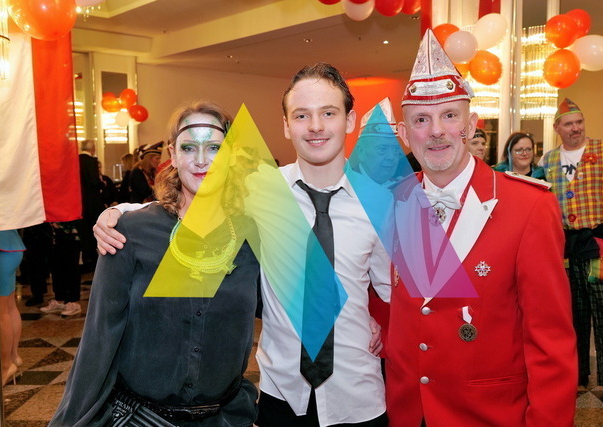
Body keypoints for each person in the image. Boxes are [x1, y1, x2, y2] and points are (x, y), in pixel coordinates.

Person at [94, 63, 389, 427]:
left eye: (328, 113)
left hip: (359, 396)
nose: (315, 126)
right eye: (301, 115)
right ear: (286, 125)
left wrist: (376, 320)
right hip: (282, 397)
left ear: (350, 120)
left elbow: (394, 292)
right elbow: (192, 202)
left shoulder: (381, 203)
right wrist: (119, 211)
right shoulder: (258, 190)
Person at [384, 29, 577, 426]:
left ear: (471, 125)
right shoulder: (394, 201)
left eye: (449, 116)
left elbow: (551, 342)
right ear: (404, 134)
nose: (436, 131)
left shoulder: (529, 206)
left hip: (489, 414)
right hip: (408, 411)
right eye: (421, 119)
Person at [49, 101, 260, 425]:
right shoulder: (130, 232)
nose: (201, 160)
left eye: (214, 148)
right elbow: (99, 339)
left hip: (225, 418)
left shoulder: (252, 237)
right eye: (189, 147)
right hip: (142, 418)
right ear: (173, 155)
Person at [541, 97, 603, 407]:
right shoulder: (547, 161)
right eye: (569, 124)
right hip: (566, 250)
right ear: (557, 128)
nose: (575, 128)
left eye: (579, 122)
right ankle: (574, 377)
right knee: (570, 317)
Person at [0, 229, 26, 386]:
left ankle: (6, 366)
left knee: (1, 312)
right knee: (9, 307)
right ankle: (14, 357)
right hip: (11, 248)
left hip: (0, 250)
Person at [78, 139, 103, 272]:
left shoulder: (76, 160)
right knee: (94, 233)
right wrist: (102, 184)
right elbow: (94, 182)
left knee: (84, 235)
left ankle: (86, 260)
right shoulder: (91, 161)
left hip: (80, 203)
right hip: (93, 203)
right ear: (93, 148)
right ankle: (94, 262)